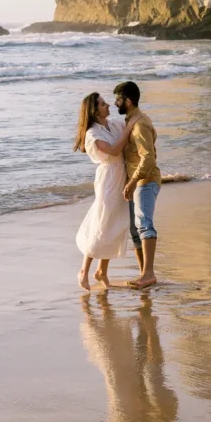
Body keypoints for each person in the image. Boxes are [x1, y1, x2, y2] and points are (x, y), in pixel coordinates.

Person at [74, 92, 137, 290]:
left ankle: (102, 271)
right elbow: (114, 150)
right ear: (94, 110)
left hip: (122, 176)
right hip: (108, 180)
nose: (108, 105)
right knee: (102, 223)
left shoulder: (114, 124)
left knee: (115, 224)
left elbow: (131, 128)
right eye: (103, 104)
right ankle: (84, 270)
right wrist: (127, 132)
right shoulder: (93, 134)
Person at [114, 81, 161, 290]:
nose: (116, 103)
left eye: (118, 99)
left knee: (144, 225)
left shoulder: (139, 124)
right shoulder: (131, 121)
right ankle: (144, 274)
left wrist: (133, 181)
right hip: (137, 181)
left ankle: (148, 274)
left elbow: (148, 157)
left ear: (128, 101)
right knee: (135, 229)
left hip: (145, 180)